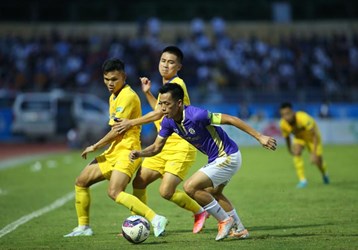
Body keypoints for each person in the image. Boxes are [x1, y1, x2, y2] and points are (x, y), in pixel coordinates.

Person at [129, 83, 277, 241]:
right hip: (217, 158)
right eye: (161, 104)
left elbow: (231, 119)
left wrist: (259, 136)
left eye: (167, 104)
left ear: (179, 103)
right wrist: (140, 153)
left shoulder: (196, 115)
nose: (163, 108)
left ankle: (225, 220)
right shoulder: (168, 122)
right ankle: (240, 229)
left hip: (228, 156)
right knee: (214, 193)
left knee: (190, 187)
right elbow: (156, 147)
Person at [64, 59, 168, 238]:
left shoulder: (127, 96)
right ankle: (84, 227)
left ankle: (156, 218)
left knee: (114, 192)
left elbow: (117, 130)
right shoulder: (113, 96)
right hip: (114, 150)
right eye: (106, 79)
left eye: (114, 79)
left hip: (128, 151)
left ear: (124, 77)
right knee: (81, 181)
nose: (110, 83)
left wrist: (94, 146)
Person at [114, 46, 209, 234]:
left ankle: (200, 211)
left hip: (180, 146)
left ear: (179, 66)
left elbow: (158, 112)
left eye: (171, 62)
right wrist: (148, 93)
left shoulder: (178, 85)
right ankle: (141, 224)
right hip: (161, 145)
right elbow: (161, 111)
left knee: (166, 192)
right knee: (139, 183)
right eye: (163, 61)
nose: (166, 65)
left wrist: (130, 122)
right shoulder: (166, 87)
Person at [279, 102, 330, 188]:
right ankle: (302, 180)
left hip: (312, 138)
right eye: (283, 115)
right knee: (296, 152)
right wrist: (289, 149)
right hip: (299, 138)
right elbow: (287, 138)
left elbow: (314, 135)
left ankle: (324, 173)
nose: (286, 117)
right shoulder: (283, 124)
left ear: (292, 112)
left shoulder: (303, 118)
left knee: (318, 161)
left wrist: (313, 153)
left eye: (287, 114)